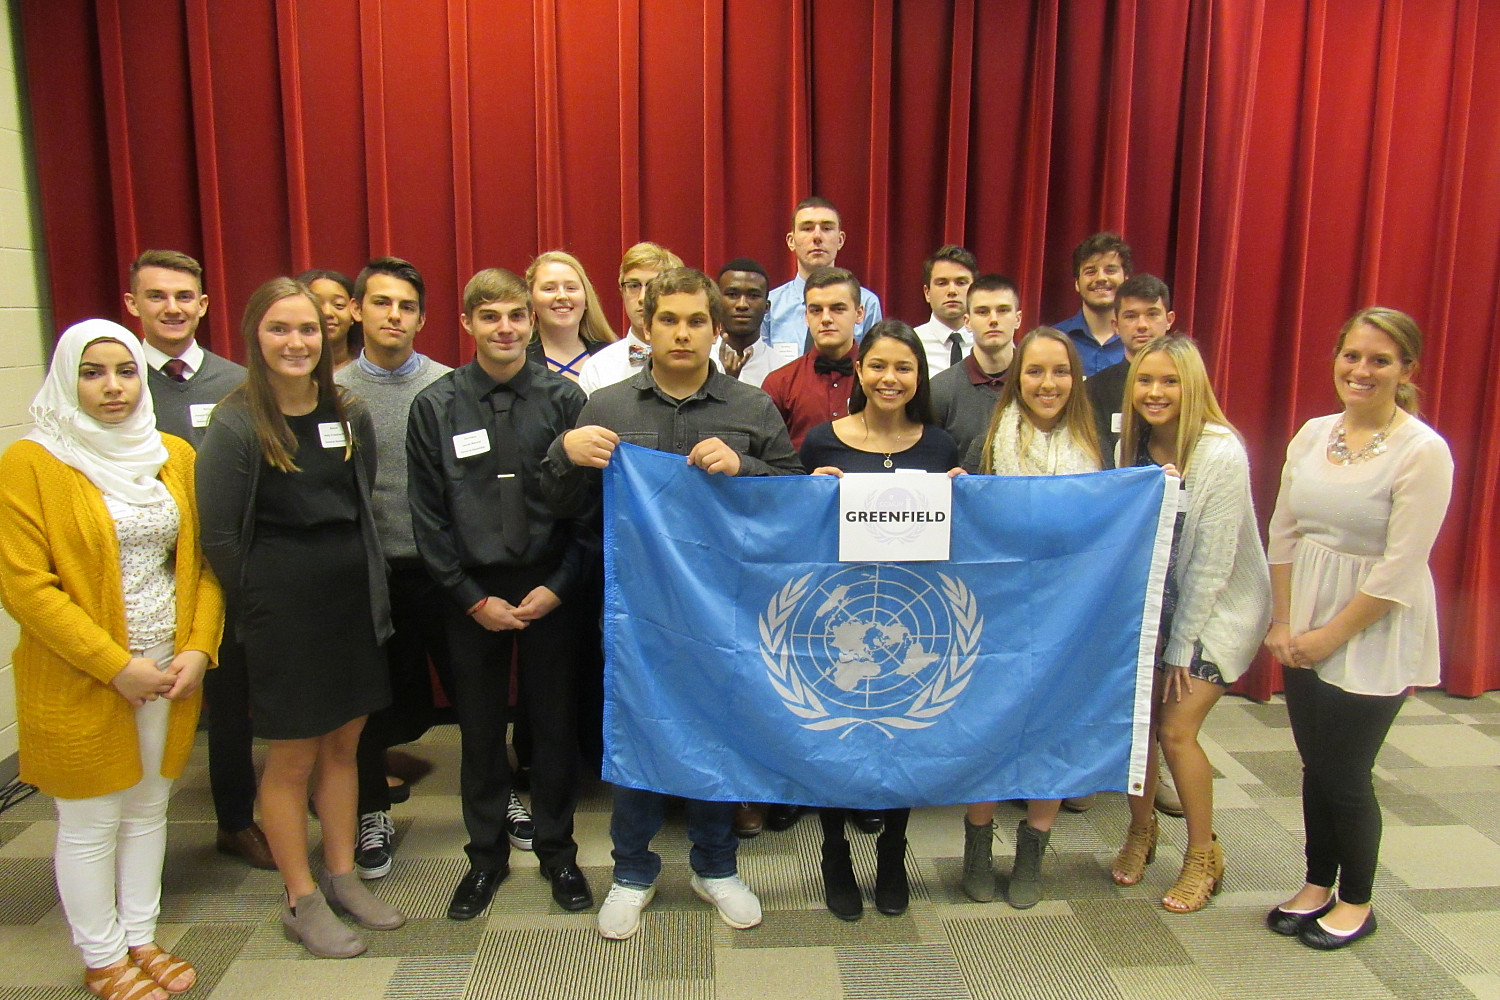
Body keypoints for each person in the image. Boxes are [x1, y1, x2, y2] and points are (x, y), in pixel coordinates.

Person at [543, 267, 803, 941]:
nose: (683, 333)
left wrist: (748, 469)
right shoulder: (606, 408)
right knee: (636, 733)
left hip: (726, 610)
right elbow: (564, 509)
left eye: (696, 321)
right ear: (645, 327)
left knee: (717, 735)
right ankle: (632, 871)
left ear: (717, 330)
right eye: (669, 320)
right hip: (633, 611)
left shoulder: (751, 409)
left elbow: (797, 500)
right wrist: (564, 453)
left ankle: (716, 866)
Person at [0, 320, 221, 1000]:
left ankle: (140, 936)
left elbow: (203, 566)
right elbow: (25, 587)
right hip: (83, 672)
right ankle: (102, 957)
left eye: (124, 371)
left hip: (166, 664)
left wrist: (196, 646)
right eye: (92, 373)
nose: (112, 387)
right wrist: (114, 665)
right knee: (91, 819)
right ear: (67, 380)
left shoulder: (172, 455)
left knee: (150, 806)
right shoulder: (32, 462)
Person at [197, 278, 404, 958]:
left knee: (345, 746)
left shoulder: (348, 410)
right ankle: (300, 897)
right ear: (256, 336)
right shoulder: (235, 421)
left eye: (308, 330)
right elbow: (221, 538)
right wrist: (263, 604)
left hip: (350, 603)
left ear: (327, 336)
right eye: (280, 329)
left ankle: (342, 876)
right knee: (291, 758)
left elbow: (360, 498)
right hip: (282, 613)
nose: (295, 343)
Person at [407, 268, 595, 920]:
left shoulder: (566, 401)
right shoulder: (434, 406)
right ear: (467, 324)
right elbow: (426, 517)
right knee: (481, 733)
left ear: (531, 319)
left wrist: (560, 587)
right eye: (490, 317)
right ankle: (484, 858)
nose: (506, 328)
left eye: (516, 315)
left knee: (553, 729)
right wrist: (468, 597)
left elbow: (588, 512)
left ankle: (558, 851)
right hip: (473, 593)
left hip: (549, 587)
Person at [1263, 307, 1453, 950]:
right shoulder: (1314, 433)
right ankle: (1317, 883)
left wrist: (1327, 637)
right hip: (1305, 616)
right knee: (1315, 765)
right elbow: (1284, 530)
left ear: (1406, 371)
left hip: (1372, 624)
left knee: (1346, 771)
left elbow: (1401, 568)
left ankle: (1357, 900)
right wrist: (1286, 621)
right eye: (1352, 356)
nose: (1361, 371)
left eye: (1380, 360)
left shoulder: (1423, 451)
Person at [799, 320, 960, 920]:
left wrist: (964, 496)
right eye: (879, 366)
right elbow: (791, 534)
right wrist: (808, 492)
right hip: (836, 619)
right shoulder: (821, 442)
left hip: (913, 619)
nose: (890, 379)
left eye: (904, 368)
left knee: (904, 733)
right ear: (860, 372)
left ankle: (893, 850)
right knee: (838, 732)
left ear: (919, 377)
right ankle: (834, 851)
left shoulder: (939, 447)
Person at [1107, 335, 1271, 911]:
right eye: (1146, 381)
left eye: (1170, 381)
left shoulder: (1220, 451)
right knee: (1137, 731)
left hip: (1214, 613)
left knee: (1175, 731)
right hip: (1150, 608)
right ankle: (1141, 830)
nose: (1156, 393)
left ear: (1193, 386)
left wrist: (1179, 649)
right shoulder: (1133, 443)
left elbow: (1212, 564)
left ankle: (1204, 854)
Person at [122, 251, 267, 872]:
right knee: (136, 702)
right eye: (157, 296)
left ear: (204, 305)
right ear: (134, 305)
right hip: (143, 572)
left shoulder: (239, 382)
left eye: (185, 296)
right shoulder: (118, 378)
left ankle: (235, 820)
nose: (173, 308)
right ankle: (126, 826)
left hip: (224, 567)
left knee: (231, 700)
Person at [961, 326, 1101, 907]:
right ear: (1017, 378)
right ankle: (975, 846)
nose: (1048, 384)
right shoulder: (990, 440)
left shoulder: (1097, 448)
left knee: (1052, 729)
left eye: (1061, 371)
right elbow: (964, 516)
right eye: (1036, 371)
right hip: (999, 611)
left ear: (1076, 379)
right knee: (990, 725)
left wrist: (1153, 491)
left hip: (1071, 613)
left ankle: (1033, 848)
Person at [333, 257, 455, 880]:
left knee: (473, 691)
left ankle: (496, 794)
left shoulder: (448, 385)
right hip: (371, 574)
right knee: (371, 704)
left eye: (406, 306)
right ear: (357, 311)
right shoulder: (332, 392)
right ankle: (371, 813)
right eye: (381, 303)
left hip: (444, 568)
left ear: (423, 318)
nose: (393, 316)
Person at [760, 266, 864, 450]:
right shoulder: (779, 383)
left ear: (859, 313)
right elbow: (769, 459)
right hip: (802, 478)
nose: (825, 319)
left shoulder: (879, 379)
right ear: (806, 317)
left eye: (837, 309)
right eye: (816, 310)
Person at [762, 197, 883, 354]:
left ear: (840, 240)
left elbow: (873, 363)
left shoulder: (866, 303)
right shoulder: (769, 306)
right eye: (807, 228)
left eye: (826, 228)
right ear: (791, 241)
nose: (817, 237)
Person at [1085, 273, 1176, 467]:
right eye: (1131, 316)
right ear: (1116, 325)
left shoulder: (1188, 382)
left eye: (1152, 314)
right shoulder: (1094, 389)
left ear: (1169, 319)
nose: (1142, 325)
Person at [929, 273, 1020, 457]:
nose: (993, 319)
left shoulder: (1037, 385)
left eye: (1003, 310)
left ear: (1017, 319)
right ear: (967, 322)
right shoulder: (940, 390)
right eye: (983, 311)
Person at [578, 242, 685, 396]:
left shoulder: (704, 360)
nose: (642, 298)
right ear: (622, 292)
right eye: (634, 286)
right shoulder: (598, 368)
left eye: (653, 285)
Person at [526, 250, 617, 381]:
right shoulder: (517, 361)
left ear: (586, 300)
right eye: (549, 288)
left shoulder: (614, 357)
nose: (562, 296)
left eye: (571, 288)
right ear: (531, 300)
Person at [1052, 232, 1132, 376]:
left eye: (1110, 270)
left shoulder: (1141, 341)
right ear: (1077, 283)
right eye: (1090, 271)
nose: (1101, 278)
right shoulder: (1052, 340)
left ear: (1126, 279)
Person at [716, 257, 785, 387]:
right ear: (717, 303)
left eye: (753, 296)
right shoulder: (698, 363)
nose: (742, 305)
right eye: (732, 294)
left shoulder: (783, 370)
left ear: (767, 307)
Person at [912, 244, 978, 375]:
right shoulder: (911, 344)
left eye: (961, 282)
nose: (952, 291)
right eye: (942, 283)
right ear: (927, 293)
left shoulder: (990, 344)